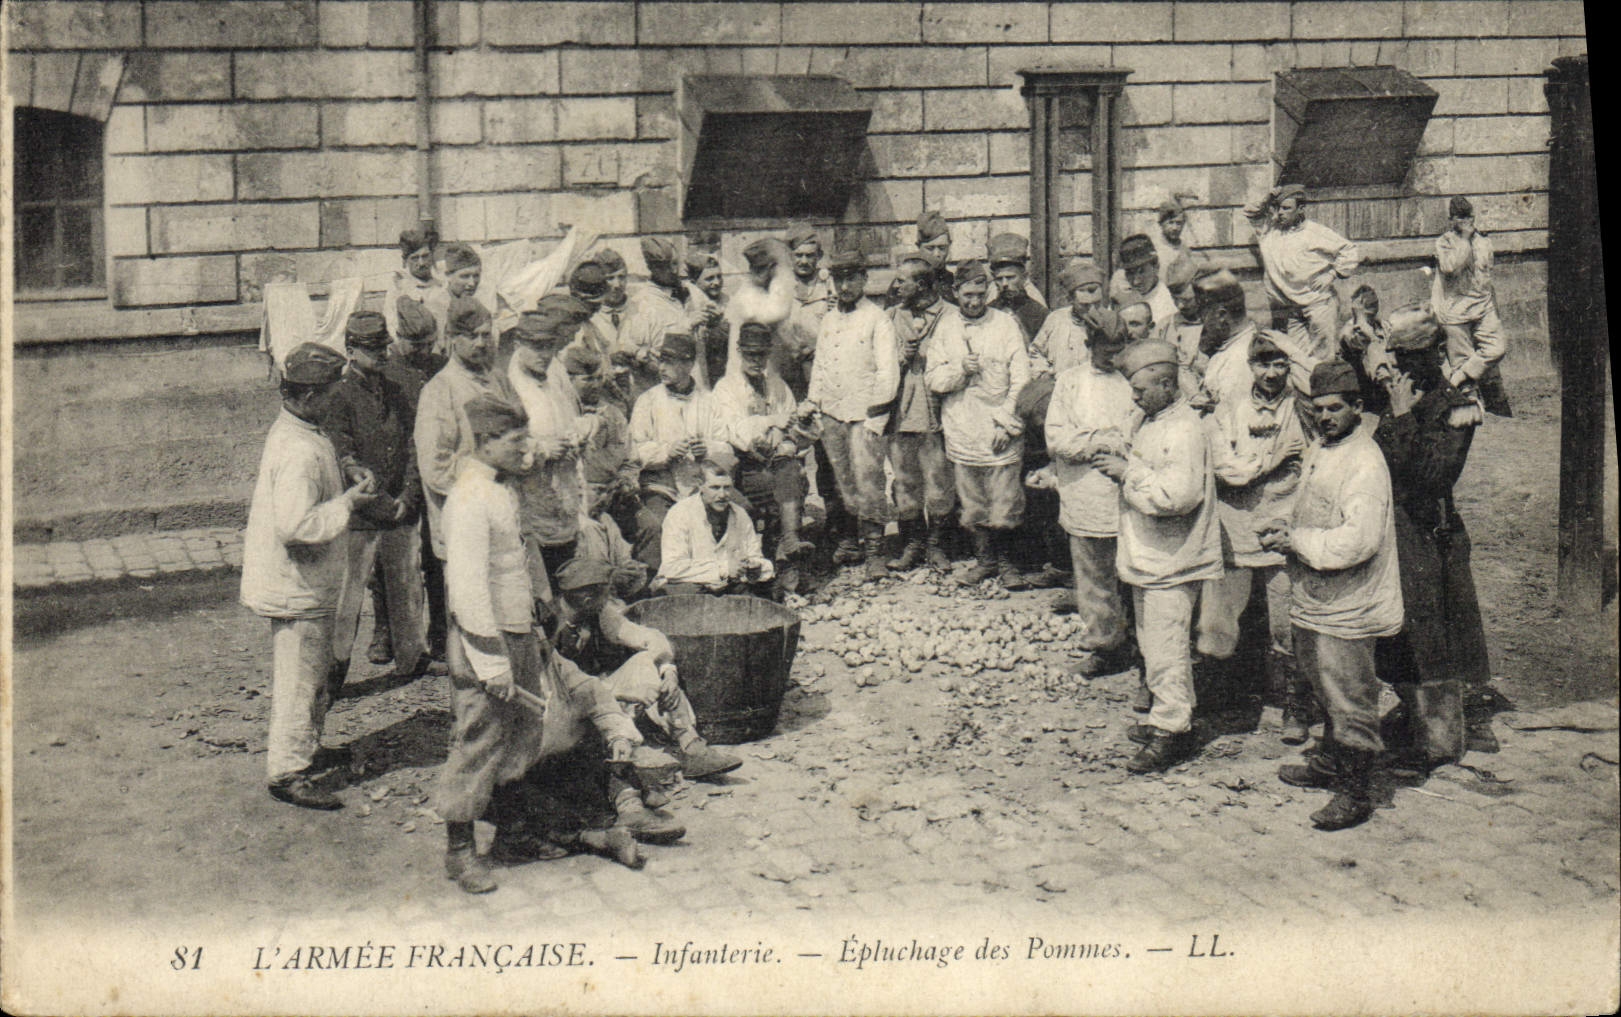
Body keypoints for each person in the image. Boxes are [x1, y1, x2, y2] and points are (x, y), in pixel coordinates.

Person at [439, 394, 646, 893]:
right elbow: (468, 592)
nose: (526, 448)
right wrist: (491, 663)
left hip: (515, 634)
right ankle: (460, 851)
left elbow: (513, 568)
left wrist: (533, 624)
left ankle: (515, 834)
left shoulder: (499, 489)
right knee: (479, 741)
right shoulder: (468, 500)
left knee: (522, 739)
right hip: (484, 643)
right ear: (486, 441)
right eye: (516, 440)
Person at [1259, 360, 1402, 832]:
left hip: (1351, 603)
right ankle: (1329, 764)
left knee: (1351, 698)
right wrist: (1287, 526)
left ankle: (1356, 792)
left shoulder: (1365, 462)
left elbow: (1358, 541)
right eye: (1318, 409)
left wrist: (1296, 541)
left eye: (1335, 408)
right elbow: (1313, 509)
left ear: (1357, 407)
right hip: (1318, 595)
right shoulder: (1324, 447)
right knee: (1323, 686)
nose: (1324, 417)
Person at [241, 343, 376, 810]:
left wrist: (345, 472)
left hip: (307, 583)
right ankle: (287, 772)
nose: (339, 400)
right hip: (296, 586)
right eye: (333, 392)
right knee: (299, 681)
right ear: (311, 396)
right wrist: (348, 504)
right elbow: (296, 526)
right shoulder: (298, 449)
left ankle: (307, 748)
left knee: (313, 675)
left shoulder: (301, 431)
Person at [1092, 341, 1223, 774]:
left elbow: (1177, 497)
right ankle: (1167, 715)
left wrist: (1127, 472)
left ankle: (1173, 730)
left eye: (1140, 390)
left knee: (1167, 649)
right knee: (1154, 645)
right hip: (1151, 557)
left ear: (1167, 385)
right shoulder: (1154, 420)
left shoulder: (1184, 430)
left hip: (1173, 559)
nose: (1135, 398)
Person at [1373, 310, 1491, 771]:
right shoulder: (1403, 396)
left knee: (1434, 634)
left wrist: (1402, 417)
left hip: (1431, 533)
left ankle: (1441, 741)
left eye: (1412, 355)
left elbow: (1432, 476)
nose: (1402, 364)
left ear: (1438, 352)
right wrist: (1397, 414)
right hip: (1396, 531)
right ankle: (1413, 719)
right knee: (1400, 629)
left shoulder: (1457, 406)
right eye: (1398, 355)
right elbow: (1379, 457)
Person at [320, 312, 439, 693]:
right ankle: (333, 669)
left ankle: (411, 657)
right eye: (372, 349)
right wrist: (378, 501)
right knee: (349, 595)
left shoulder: (396, 389)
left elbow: (413, 444)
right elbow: (343, 455)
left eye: (383, 347)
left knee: (406, 585)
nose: (382, 354)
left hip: (400, 509)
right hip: (361, 514)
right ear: (351, 351)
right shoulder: (338, 397)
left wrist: (408, 496)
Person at [545, 557, 744, 786]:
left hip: (599, 692)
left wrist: (668, 670)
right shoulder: (548, 629)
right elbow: (558, 691)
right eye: (605, 595)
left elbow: (647, 637)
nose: (608, 600)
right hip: (567, 709)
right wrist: (621, 693)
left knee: (644, 662)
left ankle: (691, 745)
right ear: (588, 599)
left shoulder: (597, 613)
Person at [1201, 334, 1311, 742]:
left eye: (1280, 364)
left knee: (1286, 621)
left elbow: (1307, 455)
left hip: (1281, 527)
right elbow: (1221, 464)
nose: (1271, 373)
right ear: (1250, 366)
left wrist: (1290, 347)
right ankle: (1230, 700)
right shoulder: (1230, 406)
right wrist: (1261, 464)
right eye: (1263, 364)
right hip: (1235, 527)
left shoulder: (1302, 407)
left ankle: (1295, 705)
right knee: (1225, 617)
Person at [926, 260, 1031, 587]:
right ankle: (985, 561)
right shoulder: (946, 328)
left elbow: (1021, 379)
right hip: (963, 428)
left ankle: (1008, 565)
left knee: (1006, 501)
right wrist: (960, 369)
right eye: (967, 295)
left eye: (980, 294)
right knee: (973, 502)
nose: (974, 302)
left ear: (988, 291)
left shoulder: (1005, 324)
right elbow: (933, 379)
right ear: (955, 292)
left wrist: (1006, 424)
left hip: (1000, 431)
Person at [1044, 308, 1137, 676]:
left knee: (1131, 573)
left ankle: (1137, 644)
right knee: (1094, 576)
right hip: (1084, 494)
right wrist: (1099, 440)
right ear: (1089, 344)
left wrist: (1113, 443)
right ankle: (1105, 645)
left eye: (1118, 349)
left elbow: (1135, 436)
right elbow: (1057, 438)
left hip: (1127, 495)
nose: (1113, 357)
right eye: (1105, 350)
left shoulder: (1133, 381)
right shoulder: (1070, 382)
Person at [805, 249, 900, 578]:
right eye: (839, 279)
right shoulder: (829, 320)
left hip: (864, 415)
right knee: (840, 479)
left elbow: (888, 374)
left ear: (864, 279)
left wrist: (876, 418)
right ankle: (848, 542)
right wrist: (814, 403)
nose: (844, 286)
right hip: (832, 413)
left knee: (869, 481)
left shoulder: (877, 319)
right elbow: (820, 366)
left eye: (851, 279)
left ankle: (875, 550)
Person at [414, 297, 515, 587]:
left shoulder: (498, 381)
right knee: (471, 606)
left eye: (485, 335)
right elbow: (436, 467)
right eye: (471, 336)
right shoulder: (440, 389)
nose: (480, 343)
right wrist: (487, 476)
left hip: (504, 518)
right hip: (464, 521)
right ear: (452, 337)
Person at [712, 322, 817, 585]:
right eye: (750, 354)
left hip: (778, 462)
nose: (756, 361)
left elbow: (797, 431)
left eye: (761, 354)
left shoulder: (777, 385)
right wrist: (771, 422)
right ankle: (786, 550)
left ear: (768, 353)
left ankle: (787, 551)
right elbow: (736, 431)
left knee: (792, 472)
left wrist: (796, 430)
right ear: (739, 351)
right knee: (786, 484)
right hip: (743, 468)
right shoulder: (726, 388)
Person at [375, 296, 449, 664]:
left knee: (436, 555)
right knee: (389, 559)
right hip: (398, 473)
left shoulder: (440, 367)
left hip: (433, 472)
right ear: (399, 338)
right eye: (415, 345)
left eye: (428, 344)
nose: (422, 351)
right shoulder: (386, 372)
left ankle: (441, 632)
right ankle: (385, 630)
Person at [628, 332, 734, 570]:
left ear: (688, 365)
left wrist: (707, 450)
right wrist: (666, 452)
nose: (662, 368)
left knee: (740, 512)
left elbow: (726, 447)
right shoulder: (648, 401)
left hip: (701, 486)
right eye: (661, 361)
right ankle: (658, 579)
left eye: (670, 362)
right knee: (658, 526)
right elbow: (634, 450)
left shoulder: (709, 401)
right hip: (661, 488)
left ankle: (723, 577)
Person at [505, 307, 586, 594]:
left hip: (563, 502)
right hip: (529, 505)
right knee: (540, 591)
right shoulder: (509, 387)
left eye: (549, 347)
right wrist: (541, 450)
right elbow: (502, 450)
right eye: (536, 347)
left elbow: (571, 419)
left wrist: (575, 440)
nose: (544, 355)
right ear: (518, 344)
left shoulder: (554, 378)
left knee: (570, 583)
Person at [884, 249, 956, 572]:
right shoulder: (890, 317)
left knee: (940, 483)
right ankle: (912, 543)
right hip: (901, 414)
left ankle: (937, 546)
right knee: (904, 481)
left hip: (938, 413)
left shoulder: (952, 317)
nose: (896, 286)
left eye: (903, 281)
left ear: (923, 285)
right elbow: (876, 365)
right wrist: (899, 357)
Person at [1253, 184, 1360, 359]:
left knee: (1323, 358)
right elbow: (1252, 212)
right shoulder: (1268, 230)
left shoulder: (1314, 232)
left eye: (1286, 208)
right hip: (1291, 309)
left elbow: (1349, 250)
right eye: (1278, 208)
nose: (1280, 213)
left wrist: (1332, 274)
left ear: (1301, 209)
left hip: (1319, 305)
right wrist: (1267, 198)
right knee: (1297, 359)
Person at [1433, 195, 1511, 419]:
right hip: (1455, 312)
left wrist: (1494, 307)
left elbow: (1487, 276)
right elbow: (1451, 267)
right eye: (1460, 218)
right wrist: (1465, 240)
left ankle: (1460, 375)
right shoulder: (1445, 242)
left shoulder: (1484, 241)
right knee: (1462, 364)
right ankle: (1472, 415)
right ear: (1451, 220)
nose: (1466, 221)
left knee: (1497, 348)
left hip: (1483, 307)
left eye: (1468, 216)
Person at [1194, 269, 1315, 412]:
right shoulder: (1239, 345)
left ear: (1221, 315)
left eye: (1202, 314)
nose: (1199, 321)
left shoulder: (1240, 360)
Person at [656, 461, 776, 597]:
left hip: (728, 585)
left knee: (754, 599)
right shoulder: (680, 513)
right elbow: (672, 568)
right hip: (689, 586)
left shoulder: (739, 514)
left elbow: (754, 556)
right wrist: (723, 569)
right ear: (700, 485)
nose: (722, 495)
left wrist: (755, 567)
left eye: (727, 488)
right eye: (715, 488)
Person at [615, 237, 690, 400]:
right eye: (666, 266)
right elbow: (630, 351)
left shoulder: (687, 292)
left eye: (675, 263)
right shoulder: (643, 304)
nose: (674, 270)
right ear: (652, 268)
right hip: (663, 395)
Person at [1030, 260, 1109, 377]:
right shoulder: (1056, 319)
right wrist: (1043, 373)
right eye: (1085, 305)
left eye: (1096, 304)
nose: (1091, 310)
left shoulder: (1110, 322)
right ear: (1070, 299)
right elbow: (1035, 352)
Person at [782, 223, 832, 400]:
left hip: (821, 367)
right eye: (798, 255)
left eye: (809, 256)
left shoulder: (829, 284)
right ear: (789, 256)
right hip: (787, 368)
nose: (804, 261)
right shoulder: (780, 284)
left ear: (819, 256)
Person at [383, 226, 450, 354]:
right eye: (415, 258)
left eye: (425, 256)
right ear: (406, 260)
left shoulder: (443, 284)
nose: (421, 263)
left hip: (443, 351)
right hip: (413, 353)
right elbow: (391, 326)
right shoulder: (399, 288)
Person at [1109, 234, 1178, 336]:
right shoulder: (1122, 294)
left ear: (1156, 266)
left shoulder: (1168, 303)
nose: (1135, 281)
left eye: (1142, 271)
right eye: (1130, 273)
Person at [988, 233, 1048, 341]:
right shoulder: (988, 311)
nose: (1004, 284)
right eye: (999, 279)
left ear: (1024, 277)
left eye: (1010, 277)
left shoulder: (1040, 314)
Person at [684, 247, 730, 386]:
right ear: (695, 281)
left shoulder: (727, 300)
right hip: (700, 371)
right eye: (709, 278)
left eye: (719, 276)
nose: (716, 282)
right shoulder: (688, 305)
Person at [916, 209, 957, 304]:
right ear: (919, 247)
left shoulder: (953, 280)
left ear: (949, 246)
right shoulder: (906, 282)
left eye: (942, 248)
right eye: (930, 248)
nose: (937, 254)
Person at [1153, 194, 1196, 281]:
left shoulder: (1184, 249)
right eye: (1171, 223)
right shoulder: (1155, 249)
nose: (1175, 228)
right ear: (1161, 224)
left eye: (1178, 223)